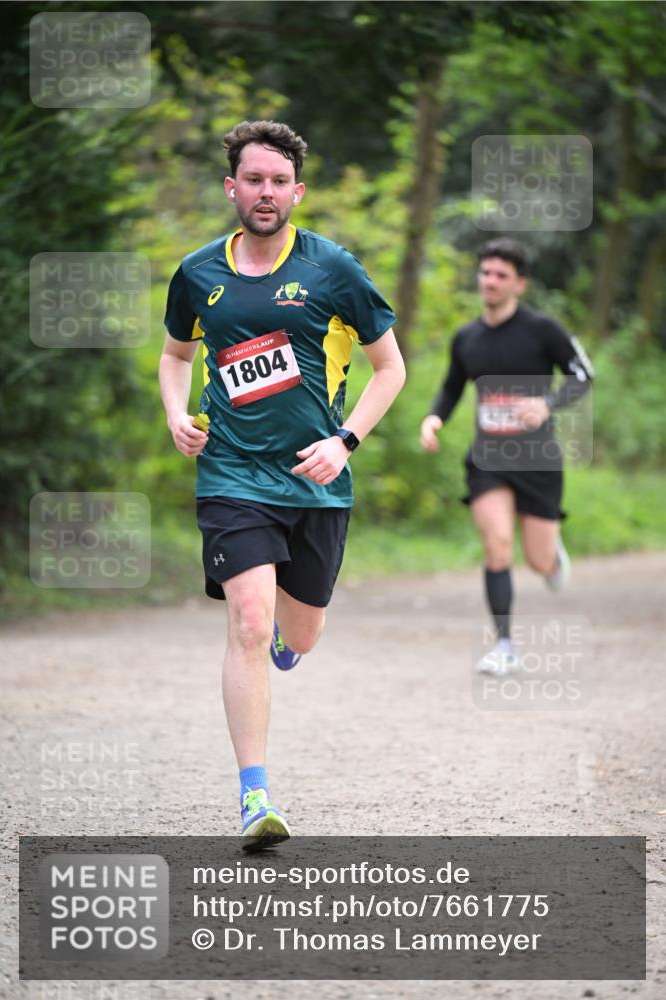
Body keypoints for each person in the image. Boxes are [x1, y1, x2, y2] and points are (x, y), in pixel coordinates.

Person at [159, 120, 405, 849]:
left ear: (296, 191)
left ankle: (287, 647)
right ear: (231, 186)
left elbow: (389, 368)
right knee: (247, 621)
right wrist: (176, 413)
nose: (265, 193)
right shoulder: (198, 273)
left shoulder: (333, 269)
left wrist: (345, 440)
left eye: (278, 182)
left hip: (315, 480)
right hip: (232, 473)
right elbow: (175, 355)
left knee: (299, 632)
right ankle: (254, 797)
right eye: (252, 180)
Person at [420, 238, 593, 675]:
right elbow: (452, 386)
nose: (490, 281)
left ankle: (552, 557)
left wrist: (547, 405)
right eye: (485, 273)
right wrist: (433, 419)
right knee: (497, 545)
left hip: (538, 461)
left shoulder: (543, 330)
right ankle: (504, 645)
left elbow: (582, 374)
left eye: (501, 275)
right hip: (488, 460)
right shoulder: (467, 338)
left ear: (520, 283)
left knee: (537, 560)